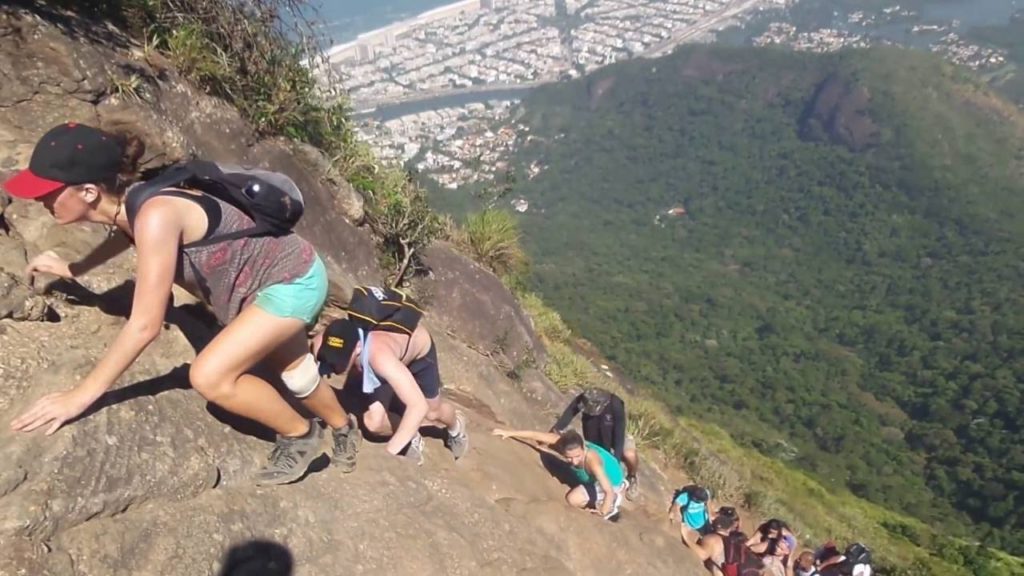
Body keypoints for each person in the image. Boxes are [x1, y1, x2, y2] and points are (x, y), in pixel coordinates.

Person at [4, 122, 360, 486]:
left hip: (292, 281)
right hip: (281, 274)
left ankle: (300, 435)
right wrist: (73, 268)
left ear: (90, 191)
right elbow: (127, 234)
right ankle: (343, 425)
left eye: (48, 192)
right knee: (296, 373)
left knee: (210, 377)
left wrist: (80, 397)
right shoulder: (135, 204)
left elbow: (145, 325)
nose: (39, 201)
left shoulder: (156, 215)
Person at [313, 316, 468, 464]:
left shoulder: (379, 358)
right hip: (387, 360)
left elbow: (419, 406)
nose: (336, 366)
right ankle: (411, 434)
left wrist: (389, 454)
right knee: (374, 423)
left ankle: (456, 426)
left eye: (341, 359)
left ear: (358, 347)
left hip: (418, 356)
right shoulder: (321, 341)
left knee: (432, 412)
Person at [491, 427, 627, 520]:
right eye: (569, 457)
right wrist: (509, 433)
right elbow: (536, 435)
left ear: (583, 448)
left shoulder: (593, 462)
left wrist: (603, 512)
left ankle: (615, 500)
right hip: (597, 474)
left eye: (577, 456)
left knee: (573, 499)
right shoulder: (564, 442)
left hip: (611, 481)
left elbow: (608, 490)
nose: (573, 461)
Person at [551, 386, 641, 499]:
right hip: (594, 434)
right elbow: (569, 413)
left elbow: (619, 434)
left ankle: (632, 477)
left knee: (629, 454)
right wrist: (556, 430)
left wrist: (616, 460)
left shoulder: (615, 404)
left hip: (615, 435)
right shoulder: (584, 398)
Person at [669, 484, 717, 549]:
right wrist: (675, 514)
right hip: (691, 524)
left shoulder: (706, 493)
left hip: (705, 522)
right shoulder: (685, 497)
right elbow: (675, 506)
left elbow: (708, 504)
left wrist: (710, 516)